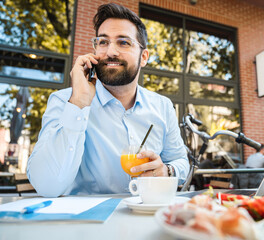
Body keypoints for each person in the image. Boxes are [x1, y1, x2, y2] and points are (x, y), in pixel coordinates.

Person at [27, 3, 189, 197]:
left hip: (148, 218)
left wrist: (167, 171)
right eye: (103, 42)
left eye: (123, 42)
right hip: (87, 224)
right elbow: (47, 186)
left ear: (144, 57)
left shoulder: (163, 106)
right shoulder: (64, 102)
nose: (111, 51)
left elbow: (181, 161)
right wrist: (79, 103)